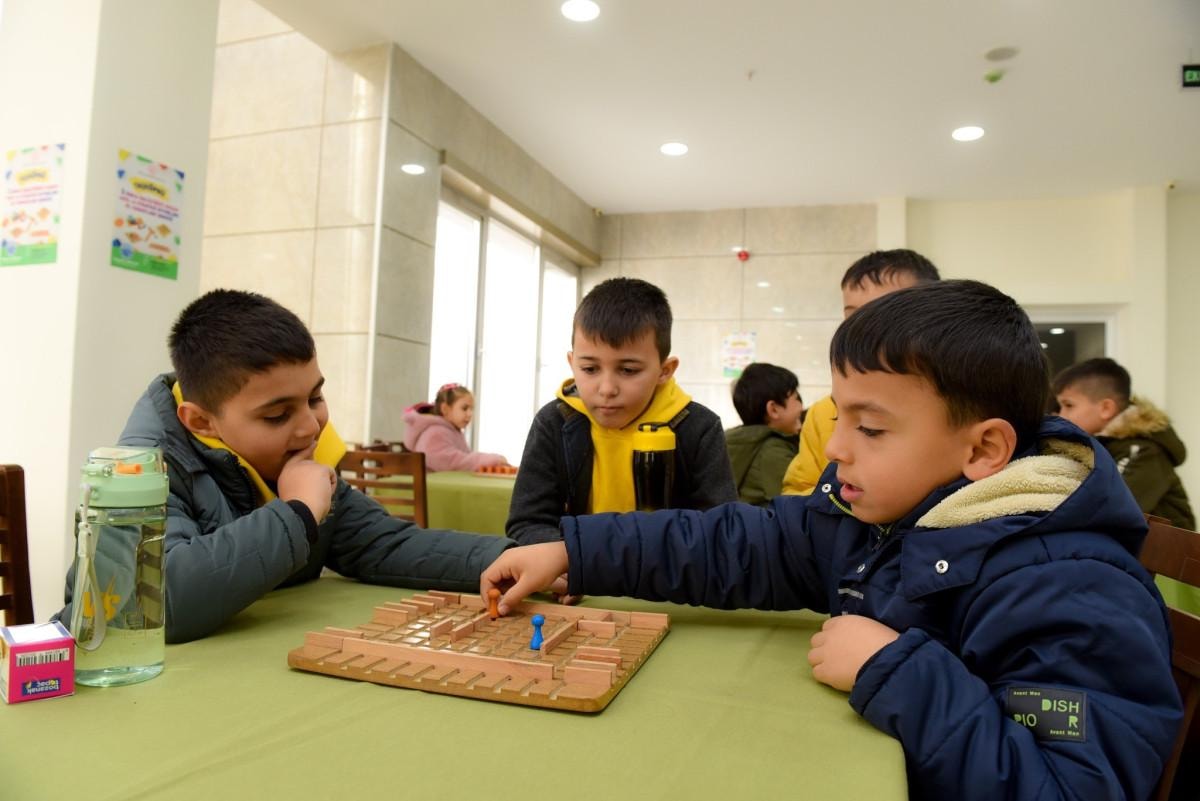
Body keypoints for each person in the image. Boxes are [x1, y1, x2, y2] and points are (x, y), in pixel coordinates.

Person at [482, 279, 1182, 801]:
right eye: (838, 417)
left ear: (982, 449)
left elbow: (1069, 786)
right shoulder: (871, 512)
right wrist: (577, 551)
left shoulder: (1069, 584)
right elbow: (737, 544)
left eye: (869, 428)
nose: (837, 447)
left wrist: (894, 669)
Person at [61, 289, 516, 643]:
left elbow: (383, 544)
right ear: (201, 421)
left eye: (315, 397)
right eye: (278, 415)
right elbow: (155, 603)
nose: (310, 427)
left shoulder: (296, 459)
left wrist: (511, 559)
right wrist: (297, 512)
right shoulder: (137, 473)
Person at [505, 277, 737, 545]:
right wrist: (576, 558)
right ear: (572, 363)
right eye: (590, 369)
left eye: (628, 370)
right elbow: (527, 522)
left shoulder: (698, 428)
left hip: (664, 571)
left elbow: (722, 532)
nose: (606, 389)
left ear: (664, 371)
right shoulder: (554, 422)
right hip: (575, 568)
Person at [782, 249, 940, 495]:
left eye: (885, 314)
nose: (865, 330)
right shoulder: (824, 413)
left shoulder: (955, 403)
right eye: (853, 317)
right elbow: (799, 490)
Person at [1053, 357, 1194, 529]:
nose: (1062, 415)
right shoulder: (1101, 447)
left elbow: (1109, 510)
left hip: (1165, 547)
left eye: (1068, 405)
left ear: (1106, 408)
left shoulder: (1143, 452)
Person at [724, 363, 803, 506]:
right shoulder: (773, 451)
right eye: (796, 398)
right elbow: (795, 505)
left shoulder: (746, 440)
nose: (801, 407)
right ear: (773, 409)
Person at [402, 383, 508, 472]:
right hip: (432, 489)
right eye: (464, 408)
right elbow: (453, 462)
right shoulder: (435, 433)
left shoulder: (453, 431)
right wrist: (492, 460)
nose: (470, 414)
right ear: (445, 409)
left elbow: (463, 458)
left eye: (472, 409)